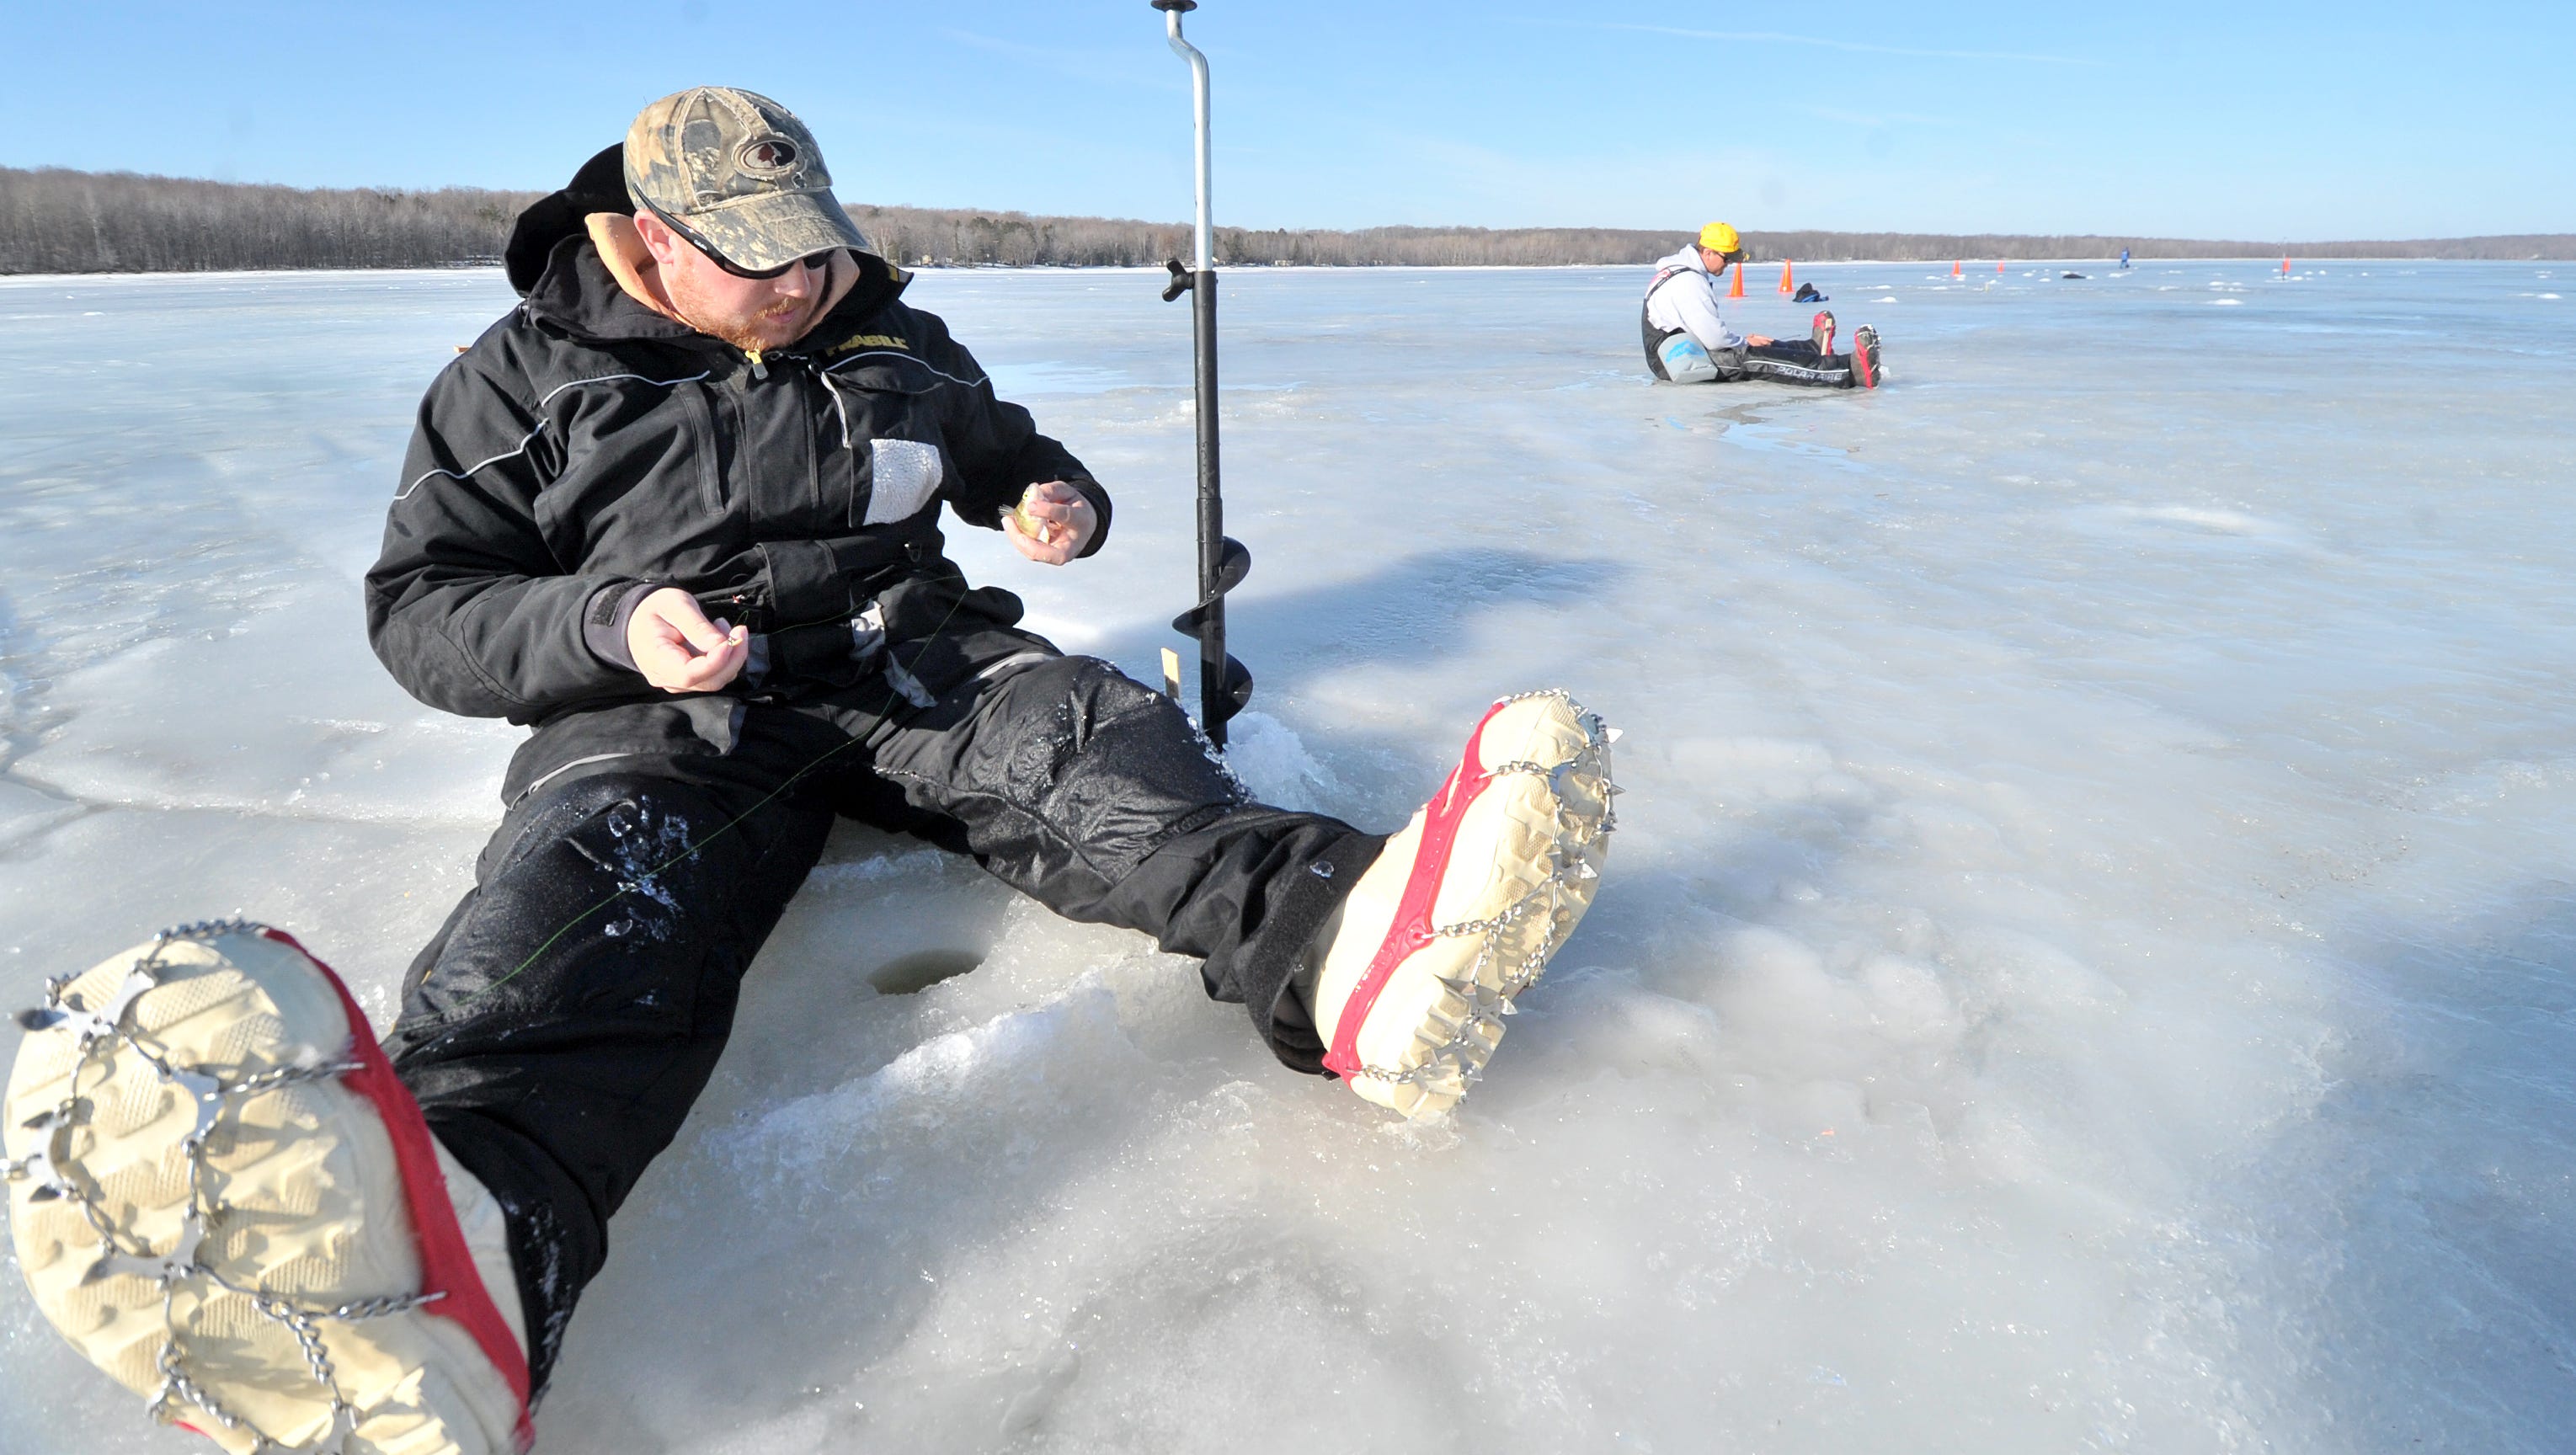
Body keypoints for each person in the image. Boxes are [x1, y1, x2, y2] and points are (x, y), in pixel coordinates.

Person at [2, 88, 1615, 1455]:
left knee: (1088, 741)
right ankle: (464, 1253)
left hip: (901, 657)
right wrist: (611, 620)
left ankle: (1336, 946)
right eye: (766, 260)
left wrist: (1053, 499)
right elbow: (422, 610)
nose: (807, 277)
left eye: (819, 242)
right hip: (660, 710)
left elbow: (1002, 456)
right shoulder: (517, 380)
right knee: (583, 905)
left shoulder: (890, 333)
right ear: (652, 235)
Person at [1642, 221, 1882, 388]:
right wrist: (1744, 342)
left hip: (1682, 350)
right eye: (1727, 259)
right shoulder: (1689, 282)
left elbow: (1708, 333)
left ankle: (1810, 347)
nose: (1729, 265)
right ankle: (1848, 370)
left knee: (1757, 346)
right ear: (1707, 253)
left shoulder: (1680, 273)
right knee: (1758, 360)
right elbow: (1713, 339)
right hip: (1677, 361)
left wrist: (1743, 341)